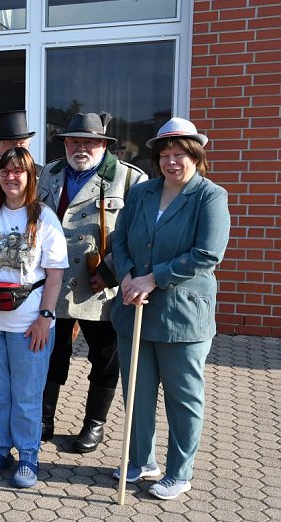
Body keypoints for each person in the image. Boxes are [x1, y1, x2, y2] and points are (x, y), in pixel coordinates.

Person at [111, 117, 229, 500]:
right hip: (134, 309)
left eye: (179, 154)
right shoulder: (142, 193)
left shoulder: (210, 196)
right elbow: (121, 239)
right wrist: (128, 275)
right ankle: (141, 460)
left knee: (183, 397)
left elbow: (207, 254)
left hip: (182, 316)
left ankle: (180, 471)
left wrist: (154, 278)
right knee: (137, 392)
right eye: (165, 154)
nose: (171, 161)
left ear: (196, 156)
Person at [0, 147, 68, 489]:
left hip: (28, 326)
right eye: (5, 171)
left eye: (18, 171)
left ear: (30, 177)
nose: (11, 177)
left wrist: (45, 318)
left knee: (26, 394)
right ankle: (0, 450)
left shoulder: (44, 217)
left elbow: (54, 275)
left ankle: (29, 456)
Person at [37, 112, 147, 452]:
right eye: (73, 140)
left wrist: (111, 271)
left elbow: (139, 236)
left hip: (101, 286)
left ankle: (94, 424)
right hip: (53, 284)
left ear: (103, 144)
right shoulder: (50, 173)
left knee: (104, 356)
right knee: (52, 353)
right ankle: (44, 417)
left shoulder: (130, 179)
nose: (80, 147)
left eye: (88, 141)